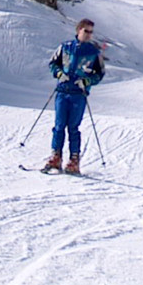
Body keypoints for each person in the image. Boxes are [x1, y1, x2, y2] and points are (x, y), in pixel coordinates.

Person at [44, 19, 105, 174]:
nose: (89, 35)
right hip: (63, 91)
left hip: (79, 94)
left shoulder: (94, 52)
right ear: (79, 30)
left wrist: (87, 81)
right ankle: (56, 156)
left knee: (73, 127)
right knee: (59, 126)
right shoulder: (65, 47)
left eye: (91, 32)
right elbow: (53, 63)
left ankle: (74, 159)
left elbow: (100, 73)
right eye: (86, 31)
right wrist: (59, 74)